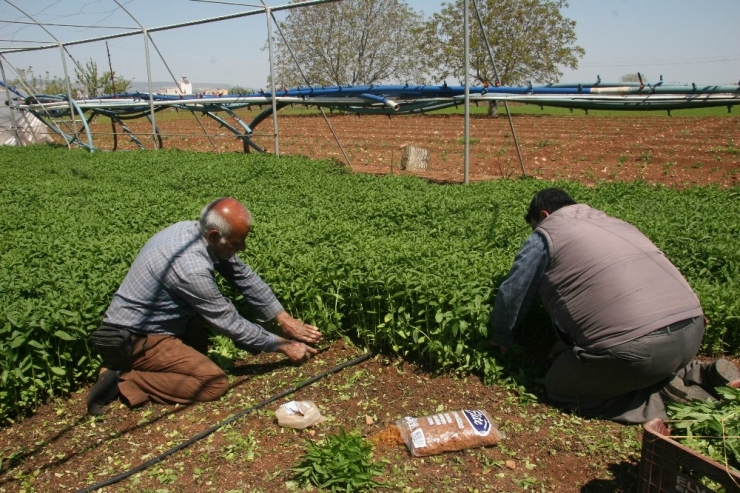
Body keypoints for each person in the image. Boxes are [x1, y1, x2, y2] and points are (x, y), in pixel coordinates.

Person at [487, 188, 740, 424]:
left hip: (638, 350)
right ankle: (700, 372)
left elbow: (513, 291)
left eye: (534, 226)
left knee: (559, 386)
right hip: (693, 330)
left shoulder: (546, 234)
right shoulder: (616, 223)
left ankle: (661, 397)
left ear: (544, 215)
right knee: (641, 352)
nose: (535, 231)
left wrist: (500, 336)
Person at [86, 197, 322, 415]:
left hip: (156, 324)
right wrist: (284, 345)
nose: (243, 248)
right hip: (137, 338)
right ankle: (123, 377)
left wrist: (285, 320)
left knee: (199, 351)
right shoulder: (190, 267)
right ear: (213, 235)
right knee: (212, 383)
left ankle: (137, 364)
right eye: (237, 243)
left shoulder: (190, 230)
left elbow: (243, 277)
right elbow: (229, 322)